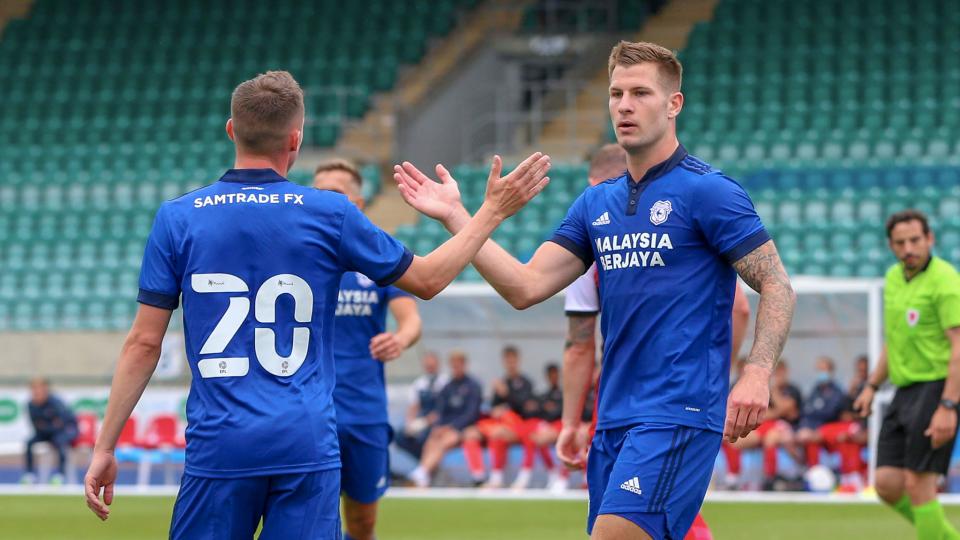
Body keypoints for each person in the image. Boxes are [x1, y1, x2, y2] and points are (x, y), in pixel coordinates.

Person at [82, 70, 551, 539]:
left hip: (220, 443)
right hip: (303, 440)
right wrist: (490, 210)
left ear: (231, 130)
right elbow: (427, 280)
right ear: (296, 139)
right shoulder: (330, 212)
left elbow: (144, 343)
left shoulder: (177, 218)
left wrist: (105, 446)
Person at [395, 41, 795, 540]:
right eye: (616, 93)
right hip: (613, 418)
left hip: (678, 411)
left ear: (674, 104)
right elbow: (525, 286)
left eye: (641, 93)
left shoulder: (710, 191)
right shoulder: (594, 203)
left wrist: (756, 374)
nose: (625, 105)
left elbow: (776, 284)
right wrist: (460, 216)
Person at [314, 159, 423, 540]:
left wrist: (400, 338)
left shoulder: (378, 255)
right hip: (308, 412)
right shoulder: (297, 255)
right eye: (319, 192)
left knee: (362, 524)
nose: (325, 199)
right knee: (309, 521)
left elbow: (411, 321)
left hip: (363, 411)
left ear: (357, 203)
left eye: (336, 193)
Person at [854, 209, 960, 540]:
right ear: (891, 246)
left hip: (936, 387)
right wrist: (872, 385)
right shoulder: (893, 279)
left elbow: (958, 346)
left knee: (919, 484)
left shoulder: (945, 281)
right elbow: (894, 340)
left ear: (930, 239)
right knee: (886, 483)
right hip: (903, 391)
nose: (908, 248)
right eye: (900, 243)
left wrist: (949, 405)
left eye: (915, 240)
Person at [462, 345, 535, 487]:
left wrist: (507, 394)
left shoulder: (525, 382)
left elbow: (526, 408)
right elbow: (494, 406)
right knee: (470, 435)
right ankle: (479, 477)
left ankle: (497, 478)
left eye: (512, 360)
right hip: (500, 424)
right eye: (507, 360)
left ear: (518, 361)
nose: (510, 364)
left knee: (498, 434)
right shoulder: (502, 382)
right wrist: (498, 408)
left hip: (518, 426)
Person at [408, 351, 483, 487]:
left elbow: (471, 414)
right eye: (453, 365)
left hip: (463, 427)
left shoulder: (473, 386)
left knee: (447, 439)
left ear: (464, 365)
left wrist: (451, 426)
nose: (455, 368)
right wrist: (439, 426)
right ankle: (424, 476)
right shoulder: (448, 387)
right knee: (432, 439)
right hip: (447, 427)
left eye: (458, 365)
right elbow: (441, 411)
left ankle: (422, 471)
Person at [726, 361, 801, 491]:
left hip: (780, 425)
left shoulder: (791, 389)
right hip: (760, 424)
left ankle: (771, 478)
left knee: (770, 439)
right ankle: (733, 478)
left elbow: (786, 410)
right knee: (733, 439)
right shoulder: (753, 387)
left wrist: (775, 390)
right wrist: (770, 413)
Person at [514, 362, 564, 490]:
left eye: (554, 374)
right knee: (533, 433)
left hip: (561, 425)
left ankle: (561, 476)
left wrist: (549, 410)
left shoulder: (563, 393)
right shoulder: (544, 395)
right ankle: (551, 472)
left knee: (541, 436)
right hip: (547, 426)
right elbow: (539, 411)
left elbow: (560, 412)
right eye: (550, 374)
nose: (552, 377)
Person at [22, 378, 78, 485]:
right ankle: (29, 474)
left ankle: (61, 474)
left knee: (60, 442)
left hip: (61, 433)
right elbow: (36, 425)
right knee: (29, 443)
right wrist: (51, 425)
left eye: (39, 389)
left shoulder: (56, 402)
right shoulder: (31, 405)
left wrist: (47, 425)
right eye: (34, 390)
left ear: (45, 389)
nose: (36, 392)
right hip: (44, 434)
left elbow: (63, 423)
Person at [795, 357, 846, 467]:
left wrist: (814, 416)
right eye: (819, 370)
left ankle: (814, 470)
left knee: (810, 438)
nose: (821, 373)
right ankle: (802, 471)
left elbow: (829, 413)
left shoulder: (836, 391)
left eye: (824, 369)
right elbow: (805, 411)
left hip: (828, 430)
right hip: (808, 429)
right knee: (791, 437)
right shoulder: (815, 389)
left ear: (831, 371)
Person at [397, 352, 450, 458]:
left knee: (426, 437)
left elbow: (446, 408)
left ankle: (426, 465)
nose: (430, 368)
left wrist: (428, 421)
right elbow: (413, 406)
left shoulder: (446, 382)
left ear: (438, 365)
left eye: (432, 366)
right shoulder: (419, 383)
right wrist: (410, 423)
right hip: (423, 421)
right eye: (428, 366)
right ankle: (424, 462)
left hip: (441, 421)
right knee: (400, 436)